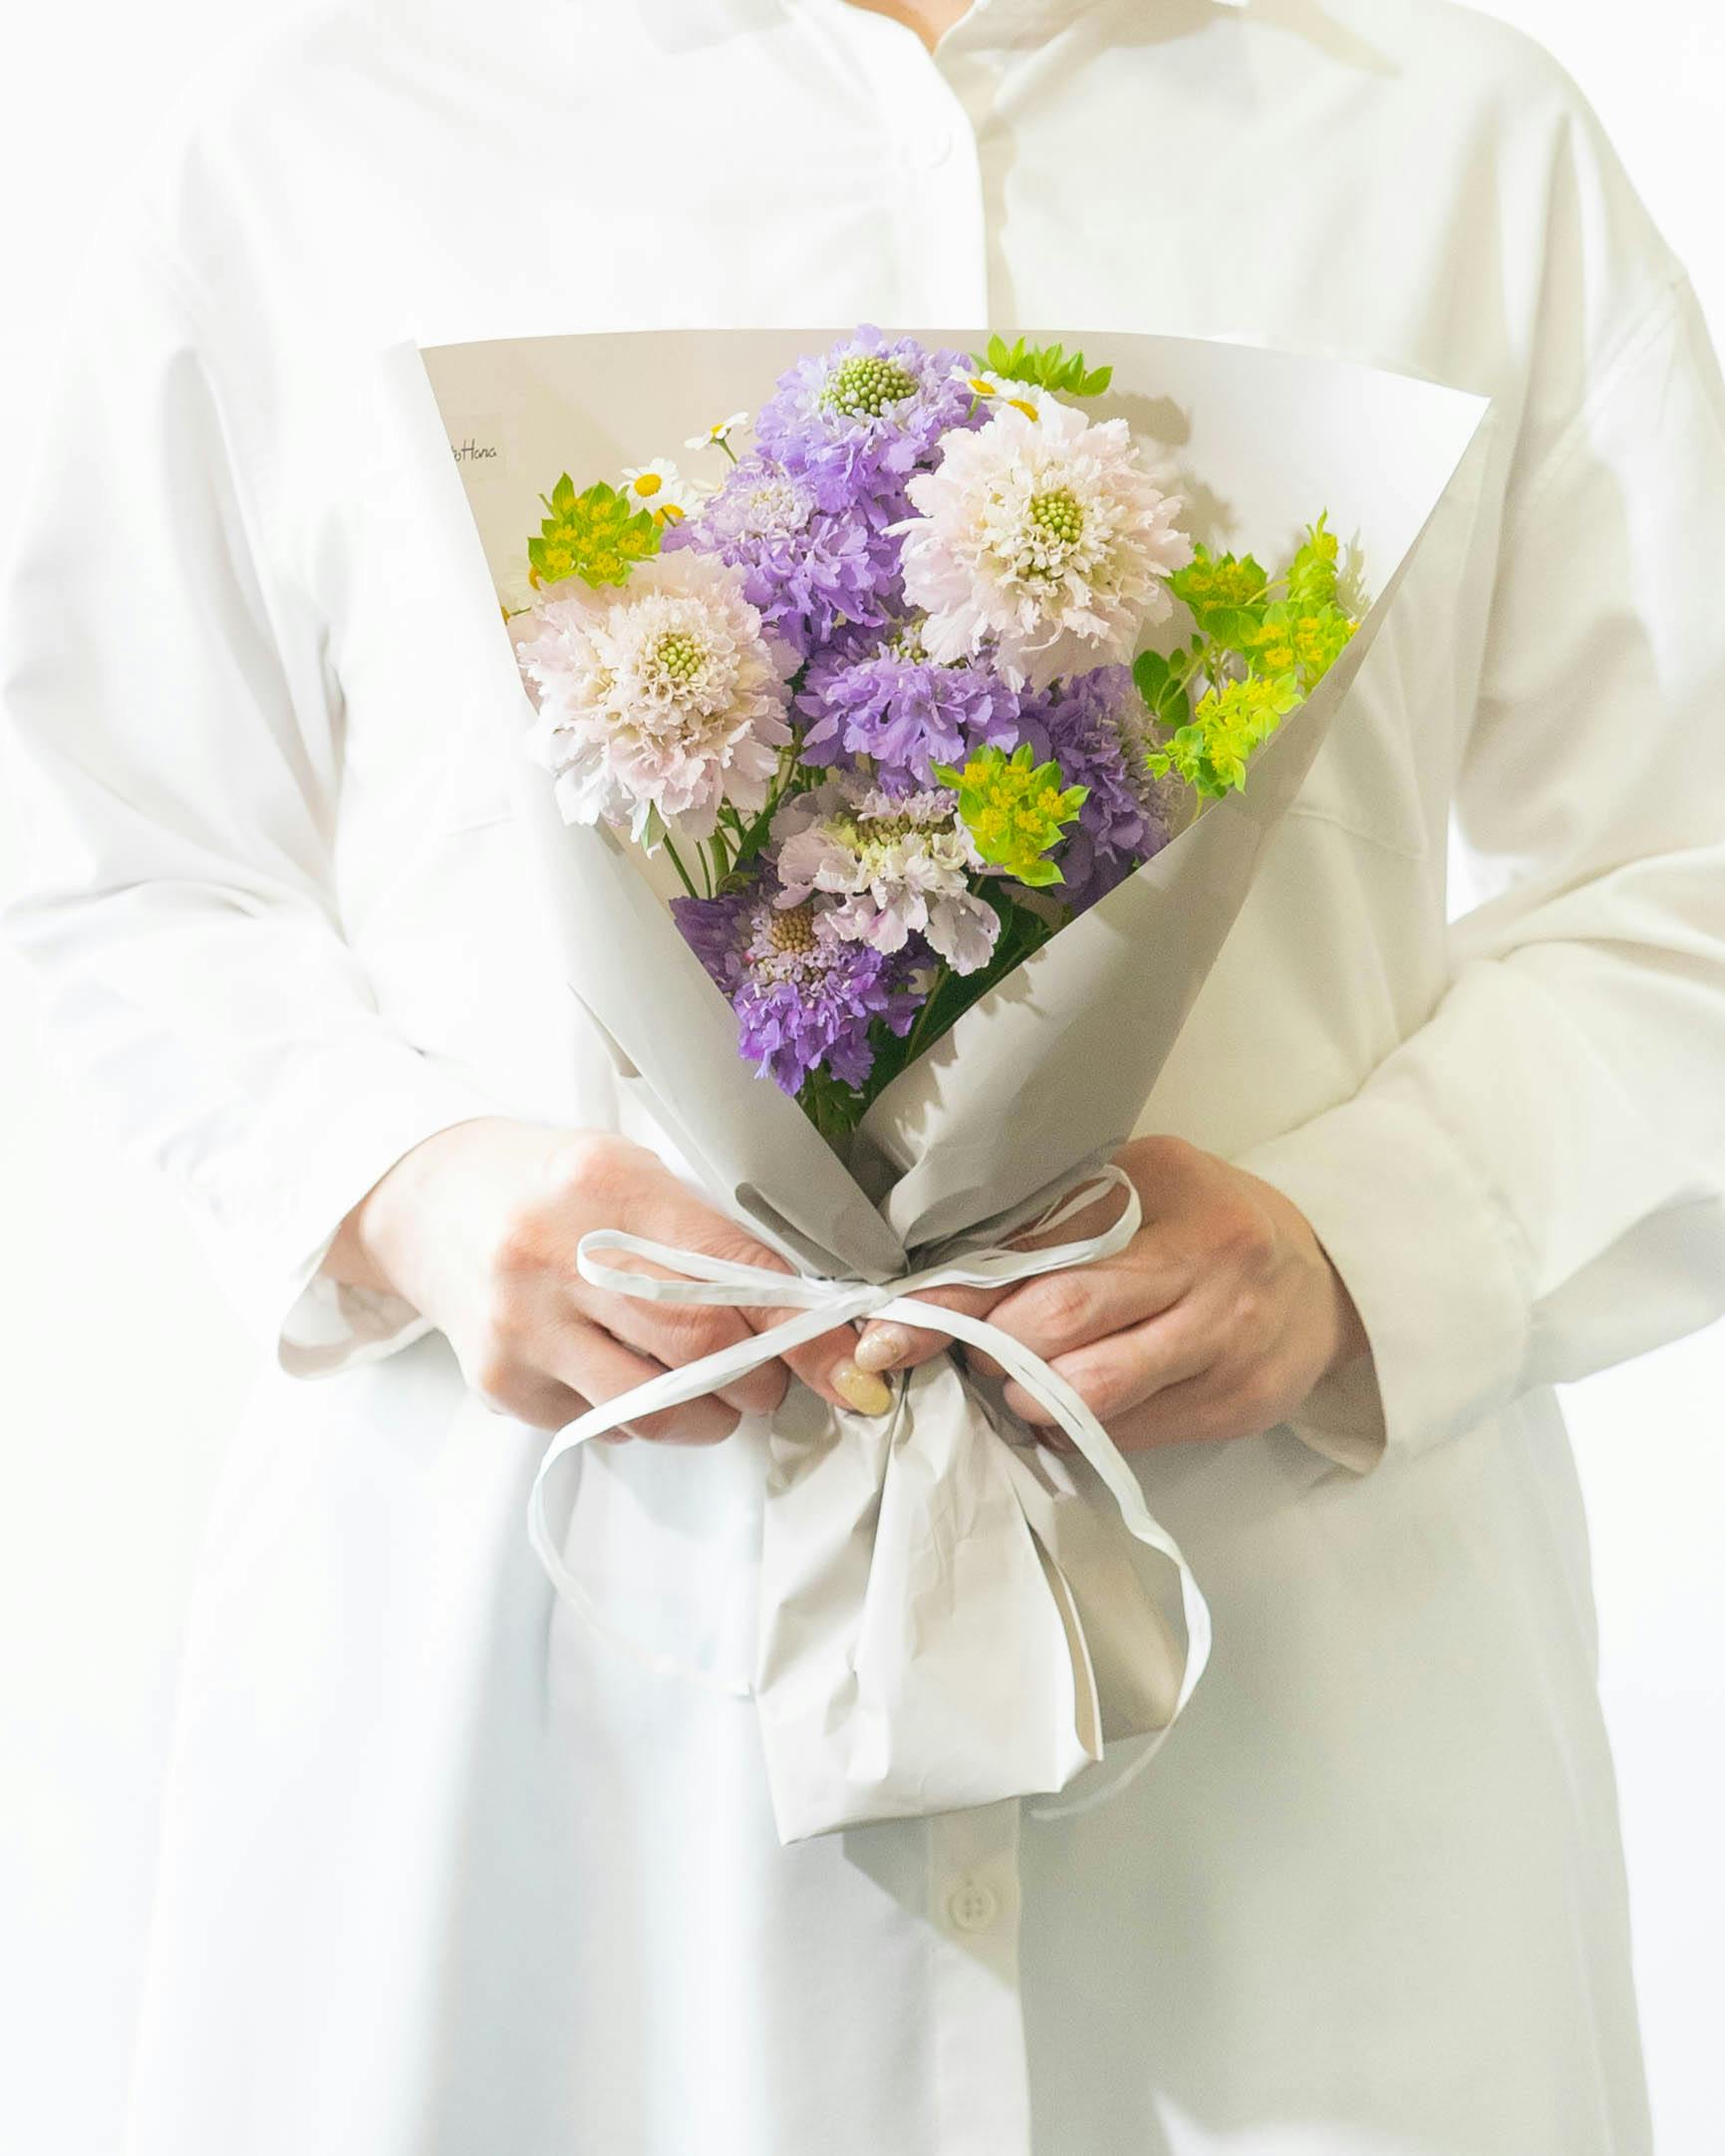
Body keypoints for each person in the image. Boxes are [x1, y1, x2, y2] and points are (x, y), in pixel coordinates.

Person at [4, 0, 1723, 2150]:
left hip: (1278, 1672)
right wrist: (404, 1180)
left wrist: (1362, 1240)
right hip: (548, 1635)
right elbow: (96, 832)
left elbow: (1693, 865)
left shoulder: (1454, 141)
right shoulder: (322, 141)